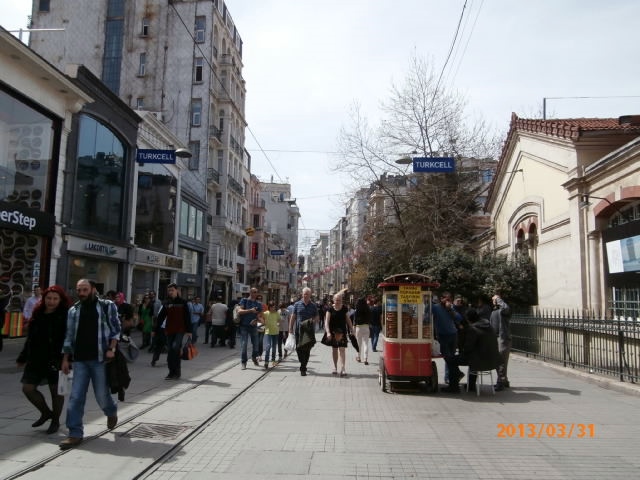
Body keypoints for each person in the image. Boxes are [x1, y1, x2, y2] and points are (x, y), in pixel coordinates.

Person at [59, 279, 121, 450]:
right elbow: (69, 336)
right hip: (79, 360)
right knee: (76, 397)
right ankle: (75, 433)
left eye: (85, 289)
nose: (81, 293)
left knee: (102, 395)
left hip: (100, 359)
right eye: (79, 290)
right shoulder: (74, 310)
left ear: (93, 289)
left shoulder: (107, 306)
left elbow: (116, 329)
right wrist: (65, 358)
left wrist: (112, 349)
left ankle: (111, 411)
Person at [16, 285, 70, 434]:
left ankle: (55, 420)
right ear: (44, 298)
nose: (51, 301)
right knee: (28, 388)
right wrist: (23, 356)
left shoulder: (65, 315)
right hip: (36, 358)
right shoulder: (38, 313)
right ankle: (46, 412)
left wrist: (68, 358)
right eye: (48, 298)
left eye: (55, 299)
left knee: (56, 391)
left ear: (60, 300)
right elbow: (30, 339)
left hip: (56, 358)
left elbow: (70, 339)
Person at [442, 309, 502, 393]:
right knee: (473, 357)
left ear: (469, 319)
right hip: (492, 361)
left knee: (450, 360)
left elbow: (468, 348)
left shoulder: (473, 329)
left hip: (479, 360)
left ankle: (454, 386)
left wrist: (462, 350)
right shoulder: (489, 326)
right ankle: (471, 385)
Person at [156, 283, 191, 380]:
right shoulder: (167, 303)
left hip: (180, 329)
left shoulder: (183, 302)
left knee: (175, 347)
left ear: (177, 291)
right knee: (171, 350)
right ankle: (172, 372)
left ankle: (177, 372)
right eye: (169, 291)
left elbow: (187, 317)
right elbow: (161, 317)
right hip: (169, 329)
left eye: (172, 290)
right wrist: (155, 329)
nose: (170, 292)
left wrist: (189, 331)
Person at [288, 287, 319, 376]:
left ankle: (303, 367)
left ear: (310, 295)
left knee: (307, 349)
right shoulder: (297, 304)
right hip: (298, 331)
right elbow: (293, 317)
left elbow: (317, 318)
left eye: (307, 294)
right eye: (304, 294)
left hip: (308, 332)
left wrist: (311, 321)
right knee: (298, 348)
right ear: (302, 294)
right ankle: (303, 362)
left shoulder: (313, 305)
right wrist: (290, 328)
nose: (305, 296)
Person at [432, 291, 461, 383]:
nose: (448, 301)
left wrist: (450, 309)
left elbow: (459, 318)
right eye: (447, 299)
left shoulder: (451, 308)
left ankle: (449, 378)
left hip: (453, 335)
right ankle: (456, 373)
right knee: (447, 357)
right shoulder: (436, 308)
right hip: (443, 336)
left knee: (451, 357)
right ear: (442, 299)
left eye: (450, 300)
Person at [324, 290, 354, 376]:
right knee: (334, 350)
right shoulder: (330, 309)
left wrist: (352, 329)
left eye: (339, 300)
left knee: (342, 350)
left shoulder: (344, 308)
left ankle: (343, 368)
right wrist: (328, 332)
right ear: (333, 300)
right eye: (336, 300)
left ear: (341, 300)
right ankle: (335, 367)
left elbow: (348, 320)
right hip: (333, 332)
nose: (338, 301)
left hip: (342, 332)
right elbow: (326, 322)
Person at [490, 292, 512, 391]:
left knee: (501, 361)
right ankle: (504, 380)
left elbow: (506, 308)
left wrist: (498, 299)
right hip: (495, 338)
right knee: (499, 361)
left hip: (503, 339)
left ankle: (501, 382)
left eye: (494, 299)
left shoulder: (504, 311)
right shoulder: (494, 311)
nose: (493, 301)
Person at [237, 288, 262, 369]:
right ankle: (243, 362)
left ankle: (254, 357)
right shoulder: (244, 301)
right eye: (253, 292)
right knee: (244, 345)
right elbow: (239, 311)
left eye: (256, 292)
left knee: (256, 344)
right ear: (250, 292)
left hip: (253, 326)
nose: (255, 293)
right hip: (244, 326)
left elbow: (259, 315)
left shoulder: (258, 304)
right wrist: (250, 310)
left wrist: (257, 320)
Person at [352, 296, 371, 365]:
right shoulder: (368, 309)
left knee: (358, 344)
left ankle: (359, 357)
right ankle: (366, 358)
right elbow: (370, 319)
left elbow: (354, 320)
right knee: (366, 343)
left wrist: (353, 329)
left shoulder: (357, 310)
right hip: (366, 327)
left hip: (358, 328)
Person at [262, 301, 280, 368]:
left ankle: (273, 360)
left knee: (274, 347)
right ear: (269, 307)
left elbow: (279, 320)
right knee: (268, 346)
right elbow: (260, 316)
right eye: (272, 307)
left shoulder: (276, 313)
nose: (273, 308)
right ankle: (266, 362)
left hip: (275, 332)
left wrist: (278, 324)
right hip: (268, 332)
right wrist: (263, 322)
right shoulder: (266, 313)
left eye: (274, 307)